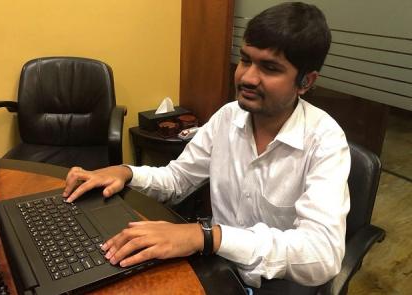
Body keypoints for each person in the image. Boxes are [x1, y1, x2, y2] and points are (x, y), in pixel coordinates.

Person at [63, 2, 350, 293]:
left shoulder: (325, 141)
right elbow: (177, 180)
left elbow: (322, 254)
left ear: (306, 82)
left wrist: (207, 237)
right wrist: (125, 172)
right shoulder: (227, 117)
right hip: (217, 269)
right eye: (246, 60)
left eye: (270, 68)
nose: (248, 77)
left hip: (275, 284)